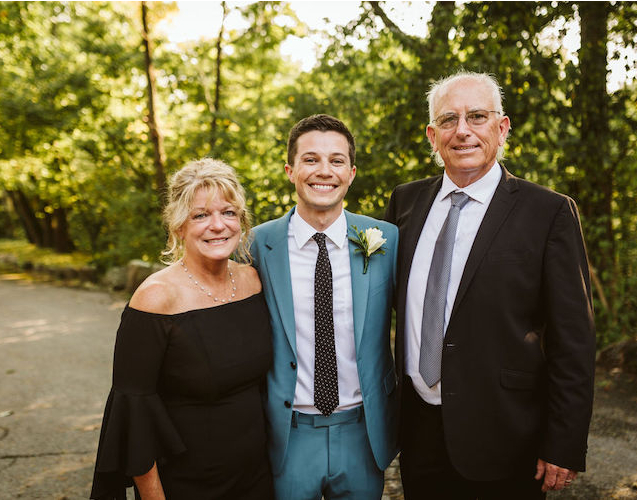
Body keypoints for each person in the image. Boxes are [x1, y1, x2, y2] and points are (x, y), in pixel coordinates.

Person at [383, 71, 596, 498]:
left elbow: (573, 338)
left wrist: (564, 442)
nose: (462, 131)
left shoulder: (548, 212)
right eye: (448, 120)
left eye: (477, 116)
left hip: (506, 432)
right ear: (432, 134)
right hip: (419, 430)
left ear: (501, 128)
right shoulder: (404, 203)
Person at [90, 159, 273, 499]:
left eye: (229, 213)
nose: (217, 225)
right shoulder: (156, 298)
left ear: (242, 221)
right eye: (200, 215)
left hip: (260, 477)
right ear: (178, 227)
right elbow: (135, 416)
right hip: (190, 484)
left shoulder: (253, 281)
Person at [249, 114, 399, 498]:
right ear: (291, 170)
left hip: (362, 433)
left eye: (335, 161)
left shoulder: (386, 240)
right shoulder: (257, 246)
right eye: (311, 159)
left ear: (350, 173)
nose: (324, 171)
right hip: (290, 432)